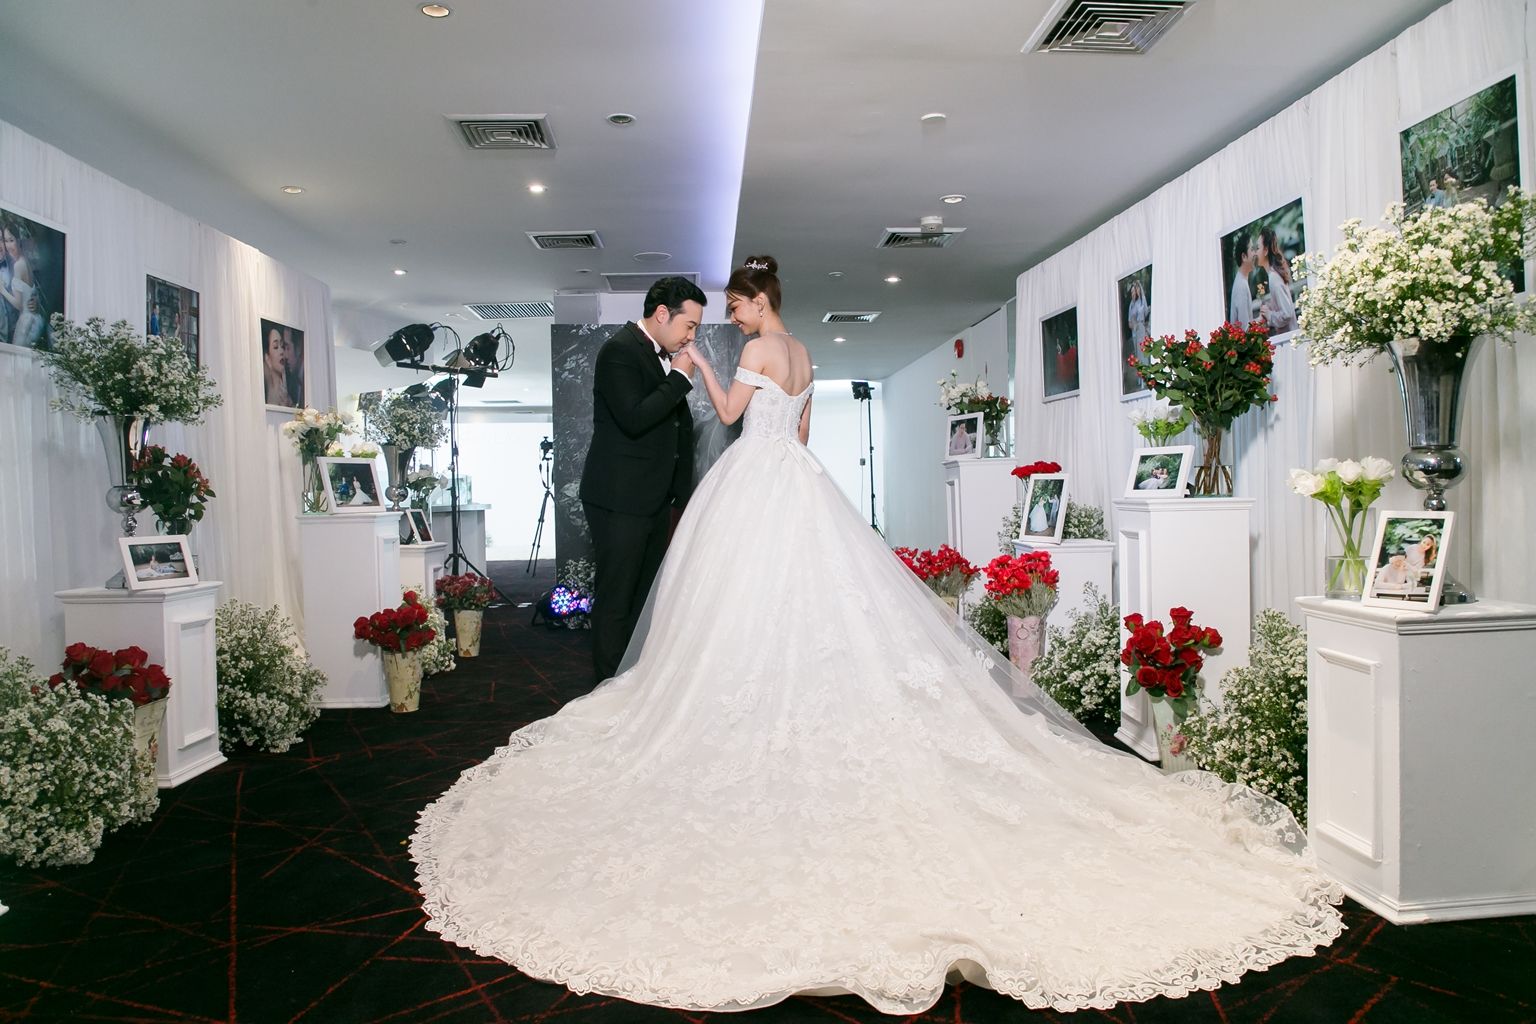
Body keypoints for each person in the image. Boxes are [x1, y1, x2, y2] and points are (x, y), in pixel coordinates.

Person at [411, 255, 1342, 1016]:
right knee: (818, 605)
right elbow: (801, 434)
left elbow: (731, 420)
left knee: (739, 605)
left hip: (754, 487)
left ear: (757, 302)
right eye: (712, 316)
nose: (724, 319)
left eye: (732, 306)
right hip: (798, 484)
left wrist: (704, 373)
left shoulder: (751, 351)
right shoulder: (807, 352)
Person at [578, 276, 702, 682]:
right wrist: (679, 379)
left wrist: (679, 495)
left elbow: (673, 432)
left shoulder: (658, 355)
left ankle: (630, 685)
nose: (691, 336)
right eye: (689, 325)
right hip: (620, 498)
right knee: (617, 599)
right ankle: (606, 688)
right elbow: (634, 418)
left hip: (652, 499)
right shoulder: (619, 351)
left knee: (643, 598)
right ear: (662, 314)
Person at [0, 220, 46, 348]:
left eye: (1, 240)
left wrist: (35, 301)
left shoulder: (15, 263)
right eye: (6, 240)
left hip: (21, 328)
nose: (4, 245)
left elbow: (31, 289)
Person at [1257, 227, 1298, 334]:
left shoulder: (1274, 278)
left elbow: (1286, 314)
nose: (1255, 253)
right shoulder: (1273, 275)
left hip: (1288, 338)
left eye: (1257, 248)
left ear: (1266, 250)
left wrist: (1269, 314)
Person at [1124, 277, 1150, 392]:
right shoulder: (1131, 304)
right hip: (1135, 330)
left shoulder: (1142, 301)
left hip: (1141, 328)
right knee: (1137, 354)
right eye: (1133, 292)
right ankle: (1140, 378)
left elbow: (1145, 312)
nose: (1134, 293)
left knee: (1143, 352)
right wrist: (1133, 326)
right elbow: (1130, 320)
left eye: (1136, 290)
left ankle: (1146, 377)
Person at [1228, 231, 1258, 326]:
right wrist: (1262, 318)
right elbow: (1245, 329)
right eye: (1252, 250)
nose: (1255, 253)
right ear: (1244, 257)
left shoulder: (1242, 281)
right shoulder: (1241, 286)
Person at [262, 324, 296, 407]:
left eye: (282, 346)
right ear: (267, 358)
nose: (281, 351)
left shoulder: (290, 392)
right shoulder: (267, 395)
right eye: (276, 347)